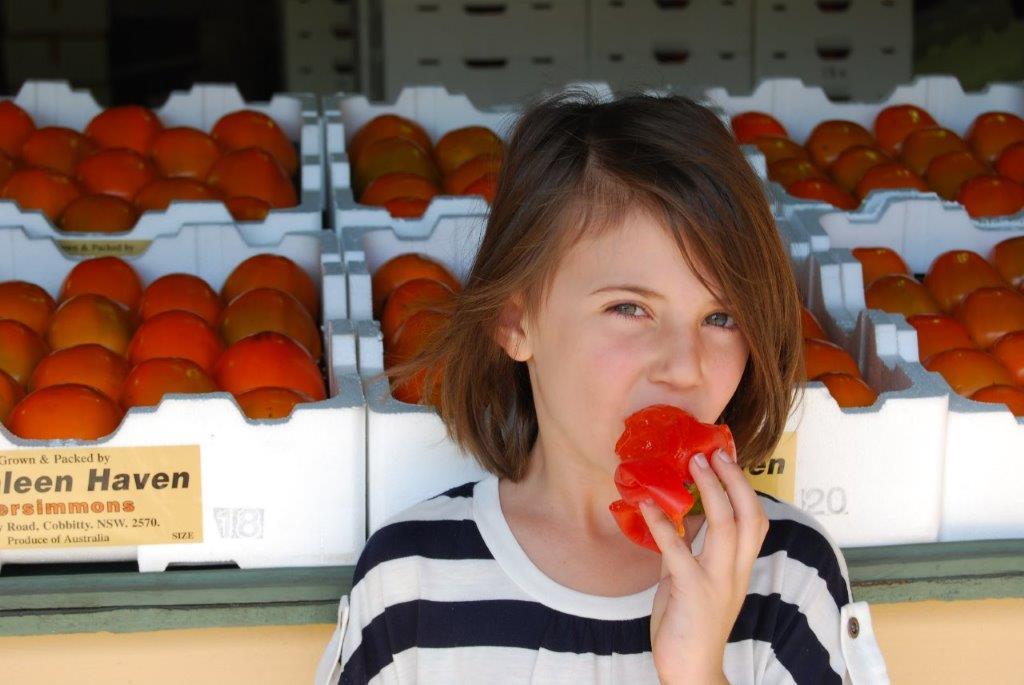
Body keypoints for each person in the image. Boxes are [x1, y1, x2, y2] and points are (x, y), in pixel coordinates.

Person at [338, 91, 855, 684]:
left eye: (721, 318)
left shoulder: (788, 575)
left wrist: (698, 670)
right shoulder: (410, 581)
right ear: (517, 322)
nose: (684, 367)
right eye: (630, 308)